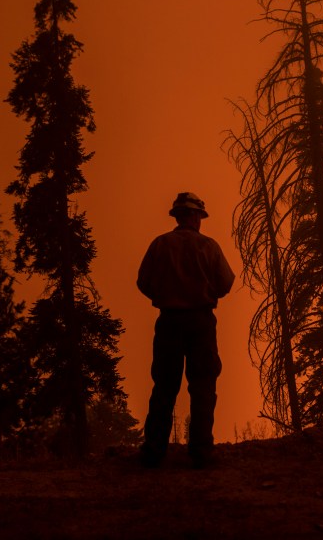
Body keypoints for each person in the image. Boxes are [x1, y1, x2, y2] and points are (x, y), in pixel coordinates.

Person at [136, 192, 235, 468]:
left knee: (165, 386)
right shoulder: (209, 247)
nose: (200, 221)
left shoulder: (160, 245)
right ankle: (201, 452)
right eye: (199, 216)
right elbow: (226, 283)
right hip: (201, 323)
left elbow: (143, 282)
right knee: (203, 385)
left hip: (168, 322)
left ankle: (154, 452)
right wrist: (204, 292)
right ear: (194, 216)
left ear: (178, 216)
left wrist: (164, 294)